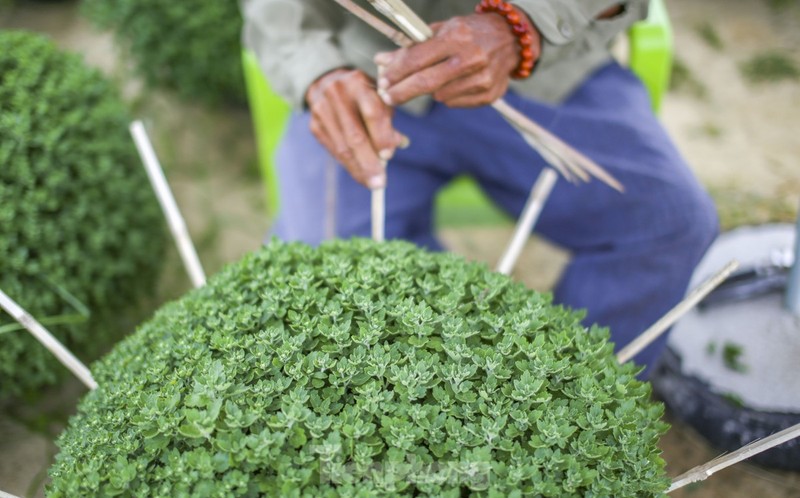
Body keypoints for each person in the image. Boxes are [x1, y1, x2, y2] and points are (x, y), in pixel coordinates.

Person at [241, 0, 719, 374]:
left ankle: (563, 412)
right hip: (368, 73)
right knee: (317, 277)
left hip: (543, 71)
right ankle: (427, 407)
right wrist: (316, 73)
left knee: (669, 223)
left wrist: (525, 23)